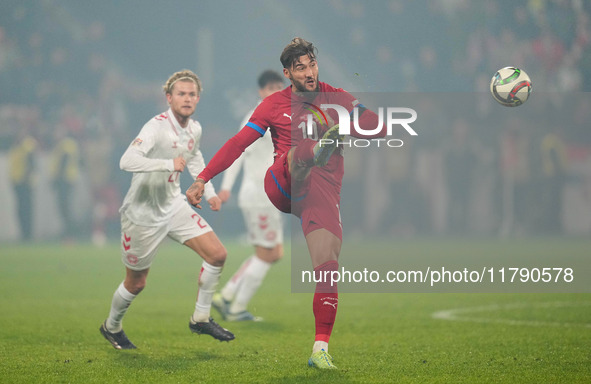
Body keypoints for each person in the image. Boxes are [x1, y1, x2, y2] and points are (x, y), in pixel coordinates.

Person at [186, 38, 385, 369]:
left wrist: (354, 123)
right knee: (296, 153)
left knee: (328, 266)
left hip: (321, 191)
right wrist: (203, 177)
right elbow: (238, 144)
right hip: (283, 181)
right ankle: (314, 148)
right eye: (300, 68)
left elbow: (377, 127)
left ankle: (320, 350)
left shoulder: (338, 98)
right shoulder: (272, 105)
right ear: (288, 73)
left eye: (312, 65)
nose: (309, 72)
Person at [99, 69, 235, 350]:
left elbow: (193, 156)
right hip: (142, 213)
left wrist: (207, 191)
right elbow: (127, 160)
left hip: (174, 206)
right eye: (181, 94)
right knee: (136, 283)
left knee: (217, 254)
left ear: (198, 98)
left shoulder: (194, 128)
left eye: (192, 94)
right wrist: (166, 164)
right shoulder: (155, 127)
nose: (187, 99)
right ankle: (111, 327)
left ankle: (200, 317)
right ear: (169, 98)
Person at [212, 70, 285, 322]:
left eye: (279, 87)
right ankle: (234, 306)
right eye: (271, 87)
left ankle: (228, 296)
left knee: (273, 252)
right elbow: (237, 150)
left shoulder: (276, 116)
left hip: (268, 195)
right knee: (268, 254)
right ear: (261, 91)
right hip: (260, 195)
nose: (276, 91)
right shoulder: (260, 118)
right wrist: (226, 186)